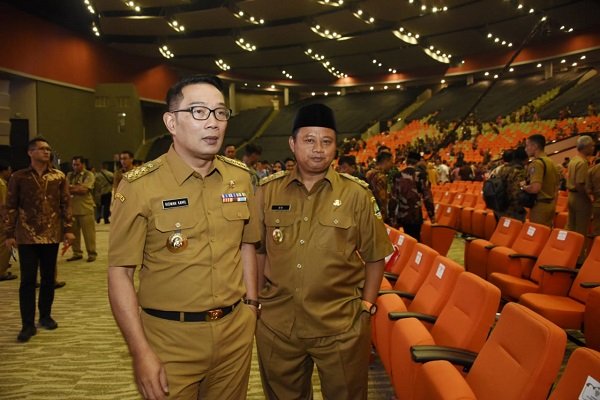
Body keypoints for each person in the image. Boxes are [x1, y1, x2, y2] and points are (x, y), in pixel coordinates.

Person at [108, 75, 260, 400]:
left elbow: (246, 245)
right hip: (169, 340)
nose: (213, 123)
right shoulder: (138, 186)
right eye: (199, 112)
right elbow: (120, 273)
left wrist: (251, 306)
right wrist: (139, 351)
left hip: (234, 333)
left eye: (220, 113)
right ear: (171, 123)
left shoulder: (240, 178)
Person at [255, 103, 393, 399]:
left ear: (335, 147)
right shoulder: (267, 192)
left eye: (326, 141)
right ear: (292, 143)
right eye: (309, 140)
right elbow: (259, 252)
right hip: (279, 326)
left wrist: (367, 307)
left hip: (340, 326)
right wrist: (255, 303)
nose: (318, 149)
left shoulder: (357, 194)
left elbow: (375, 255)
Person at [5, 137, 75, 342]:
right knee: (27, 280)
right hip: (26, 235)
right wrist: (8, 233)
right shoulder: (18, 177)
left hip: (51, 234)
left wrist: (68, 229)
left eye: (48, 149)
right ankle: (27, 324)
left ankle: (45, 316)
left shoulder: (58, 176)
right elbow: (10, 206)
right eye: (42, 149)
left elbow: (65, 203)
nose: (46, 152)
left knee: (48, 278)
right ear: (30, 152)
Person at [389, 151, 435, 240]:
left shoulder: (398, 176)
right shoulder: (420, 175)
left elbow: (393, 198)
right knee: (415, 239)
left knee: (405, 239)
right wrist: (431, 215)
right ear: (418, 162)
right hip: (415, 215)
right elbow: (427, 197)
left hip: (402, 215)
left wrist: (392, 216)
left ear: (407, 161)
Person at [521, 134, 561, 227]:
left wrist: (523, 187)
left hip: (540, 206)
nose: (526, 149)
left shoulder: (537, 163)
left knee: (537, 232)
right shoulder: (551, 162)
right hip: (550, 204)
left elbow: (535, 188)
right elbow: (556, 187)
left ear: (535, 146)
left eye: (527, 145)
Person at [567, 136, 594, 260]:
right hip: (579, 197)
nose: (593, 148)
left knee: (571, 227)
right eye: (591, 146)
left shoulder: (573, 160)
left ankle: (570, 254)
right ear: (585, 147)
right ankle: (579, 257)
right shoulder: (582, 163)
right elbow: (580, 184)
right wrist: (588, 197)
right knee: (581, 230)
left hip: (571, 196)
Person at [67, 156, 97, 262]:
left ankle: (91, 253)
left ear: (83, 164)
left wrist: (71, 188)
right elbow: (64, 189)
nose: (75, 167)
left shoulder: (89, 174)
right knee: (74, 233)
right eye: (73, 164)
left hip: (85, 208)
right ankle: (76, 253)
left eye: (77, 164)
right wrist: (77, 188)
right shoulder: (69, 175)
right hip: (72, 208)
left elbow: (84, 190)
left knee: (89, 234)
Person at [496, 147, 528, 222]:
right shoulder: (518, 171)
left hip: (499, 206)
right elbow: (517, 193)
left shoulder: (501, 169)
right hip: (512, 210)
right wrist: (520, 209)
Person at [365, 151, 393, 223]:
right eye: (391, 162)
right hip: (379, 215)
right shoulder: (381, 177)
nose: (391, 165)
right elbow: (382, 199)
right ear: (386, 161)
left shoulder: (368, 173)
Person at [0, 160, 17, 281]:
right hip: (1, 219)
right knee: (4, 246)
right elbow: (3, 204)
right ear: (4, 171)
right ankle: (1, 272)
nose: (10, 172)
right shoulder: (1, 184)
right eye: (9, 170)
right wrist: (7, 219)